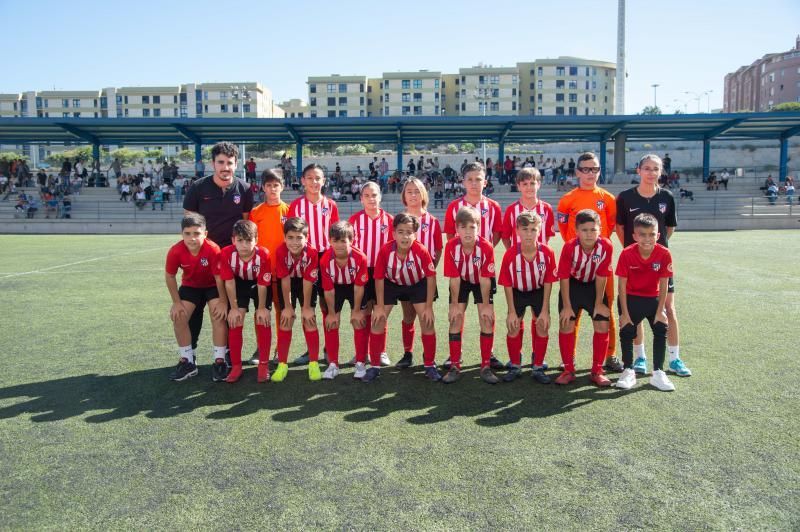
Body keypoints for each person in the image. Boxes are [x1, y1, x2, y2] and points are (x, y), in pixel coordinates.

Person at [615, 154, 691, 377]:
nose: (651, 172)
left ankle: (675, 358)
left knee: (668, 308)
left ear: (661, 172)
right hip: (634, 264)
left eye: (655, 169)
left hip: (659, 264)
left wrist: (654, 251)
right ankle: (640, 357)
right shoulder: (626, 197)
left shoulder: (667, 196)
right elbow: (620, 228)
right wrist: (636, 250)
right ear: (638, 171)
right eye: (646, 168)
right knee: (635, 309)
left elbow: (669, 229)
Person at [183, 142, 254, 352]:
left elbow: (244, 224)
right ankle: (190, 354)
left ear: (236, 163)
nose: (225, 167)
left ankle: (227, 353)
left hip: (232, 260)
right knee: (195, 310)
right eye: (221, 162)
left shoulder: (245, 189)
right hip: (203, 258)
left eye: (229, 163)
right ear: (213, 164)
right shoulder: (198, 188)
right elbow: (189, 222)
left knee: (230, 309)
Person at [557, 152, 621, 372]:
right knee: (572, 315)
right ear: (577, 172)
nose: (590, 173)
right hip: (575, 263)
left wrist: (596, 248)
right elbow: (565, 229)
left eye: (594, 169)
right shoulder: (567, 199)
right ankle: (569, 358)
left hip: (600, 262)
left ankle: (610, 355)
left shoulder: (609, 199)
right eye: (585, 169)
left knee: (605, 309)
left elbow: (610, 226)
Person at [370, 213, 438, 382]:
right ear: (393, 234)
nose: (405, 236)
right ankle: (375, 366)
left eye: (409, 232)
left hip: (417, 284)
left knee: (426, 320)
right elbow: (378, 278)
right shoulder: (385, 250)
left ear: (415, 234)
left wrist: (428, 307)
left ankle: (429, 364)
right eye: (400, 232)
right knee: (378, 320)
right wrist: (378, 306)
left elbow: (431, 277)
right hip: (392, 283)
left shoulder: (421, 250)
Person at [164, 214, 228, 382]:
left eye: (196, 233)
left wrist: (222, 301)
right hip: (191, 287)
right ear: (182, 234)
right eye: (187, 233)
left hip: (212, 286)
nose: (192, 238)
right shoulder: (175, 250)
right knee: (179, 317)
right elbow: (170, 276)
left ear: (205, 234)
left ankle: (220, 361)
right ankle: (188, 362)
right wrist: (176, 303)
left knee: (219, 316)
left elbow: (219, 278)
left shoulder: (213, 249)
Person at [615, 213, 675, 392]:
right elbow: (621, 286)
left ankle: (657, 373)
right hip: (631, 298)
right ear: (634, 236)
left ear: (658, 235)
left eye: (651, 234)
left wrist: (660, 310)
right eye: (642, 234)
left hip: (653, 299)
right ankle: (628, 370)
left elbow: (664, 285)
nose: (647, 239)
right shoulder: (626, 253)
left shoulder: (664, 253)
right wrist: (624, 313)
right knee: (627, 330)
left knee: (660, 328)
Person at [288, 163, 340, 365]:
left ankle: (328, 349)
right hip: (304, 259)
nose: (314, 182)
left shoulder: (331, 205)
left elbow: (335, 234)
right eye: (310, 178)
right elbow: (292, 236)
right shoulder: (296, 206)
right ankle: (311, 351)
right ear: (303, 181)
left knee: (328, 305)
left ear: (324, 181)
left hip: (326, 259)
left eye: (318, 178)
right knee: (307, 306)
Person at [555, 209, 613, 387]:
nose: (589, 234)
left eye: (593, 230)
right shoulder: (570, 247)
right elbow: (564, 277)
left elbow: (602, 275)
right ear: (576, 230)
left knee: (602, 321)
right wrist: (566, 305)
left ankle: (596, 371)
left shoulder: (606, 246)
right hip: (572, 286)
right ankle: (568, 370)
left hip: (594, 287)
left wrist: (598, 303)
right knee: (566, 322)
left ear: (600, 229)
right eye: (584, 230)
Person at [498, 212, 557, 384]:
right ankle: (515, 365)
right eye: (525, 229)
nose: (529, 234)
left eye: (533, 229)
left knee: (542, 325)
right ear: (517, 231)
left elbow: (548, 282)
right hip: (517, 292)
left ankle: (538, 366)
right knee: (513, 326)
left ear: (539, 231)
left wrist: (545, 310)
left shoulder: (547, 252)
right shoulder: (510, 254)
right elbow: (507, 284)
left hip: (538, 291)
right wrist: (511, 312)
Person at [442, 206, 496, 384]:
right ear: (457, 229)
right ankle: (455, 365)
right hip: (461, 281)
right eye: (463, 227)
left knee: (487, 318)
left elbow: (485, 279)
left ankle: (486, 366)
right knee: (455, 318)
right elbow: (455, 279)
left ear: (478, 228)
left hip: (481, 280)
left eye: (472, 227)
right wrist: (455, 304)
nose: (467, 231)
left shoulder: (486, 247)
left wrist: (487, 305)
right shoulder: (451, 246)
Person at [218, 220, 273, 383]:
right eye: (240, 240)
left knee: (262, 318)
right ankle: (236, 366)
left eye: (248, 240)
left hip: (259, 285)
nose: (244, 245)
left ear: (256, 239)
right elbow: (229, 282)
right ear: (233, 240)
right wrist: (234, 308)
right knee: (235, 319)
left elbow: (263, 284)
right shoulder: (227, 253)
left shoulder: (263, 254)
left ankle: (263, 364)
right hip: (238, 284)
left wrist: (262, 308)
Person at [348, 182, 394, 368]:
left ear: (380, 197)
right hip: (362, 272)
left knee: (380, 313)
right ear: (361, 199)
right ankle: (361, 352)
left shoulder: (390, 221)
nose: (371, 199)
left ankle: (380, 351)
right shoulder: (354, 221)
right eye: (367, 195)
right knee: (363, 312)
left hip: (383, 273)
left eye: (374, 195)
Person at [272, 217, 322, 382]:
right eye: (290, 237)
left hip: (305, 282)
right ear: (284, 237)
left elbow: (308, 280)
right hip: (287, 281)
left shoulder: (312, 252)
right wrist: (288, 306)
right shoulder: (279, 251)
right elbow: (284, 279)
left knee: (309, 318)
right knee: (286, 318)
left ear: (306, 238)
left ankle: (313, 363)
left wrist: (306, 306)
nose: (294, 242)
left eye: (299, 237)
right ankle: (282, 364)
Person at [248, 169, 291, 365]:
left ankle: (279, 349)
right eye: (269, 185)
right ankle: (262, 347)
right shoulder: (256, 212)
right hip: (262, 273)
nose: (273, 189)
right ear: (263, 187)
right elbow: (251, 242)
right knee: (261, 310)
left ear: (282, 186)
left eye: (276, 185)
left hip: (283, 273)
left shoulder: (289, 211)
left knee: (282, 312)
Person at [319, 221, 370, 380]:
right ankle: (333, 363)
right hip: (335, 287)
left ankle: (361, 362)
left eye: (343, 241)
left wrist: (356, 311)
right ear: (329, 241)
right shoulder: (325, 259)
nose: (340, 245)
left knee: (359, 320)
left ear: (352, 241)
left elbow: (359, 287)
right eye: (335, 240)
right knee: (331, 322)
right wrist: (332, 313)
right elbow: (328, 289)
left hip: (355, 286)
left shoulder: (360, 257)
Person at [501, 167, 556, 249]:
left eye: (532, 183)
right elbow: (505, 237)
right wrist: (513, 253)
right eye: (525, 184)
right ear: (519, 186)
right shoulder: (511, 210)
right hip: (517, 258)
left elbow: (547, 235)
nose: (529, 187)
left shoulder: (546, 208)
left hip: (540, 259)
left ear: (538, 185)